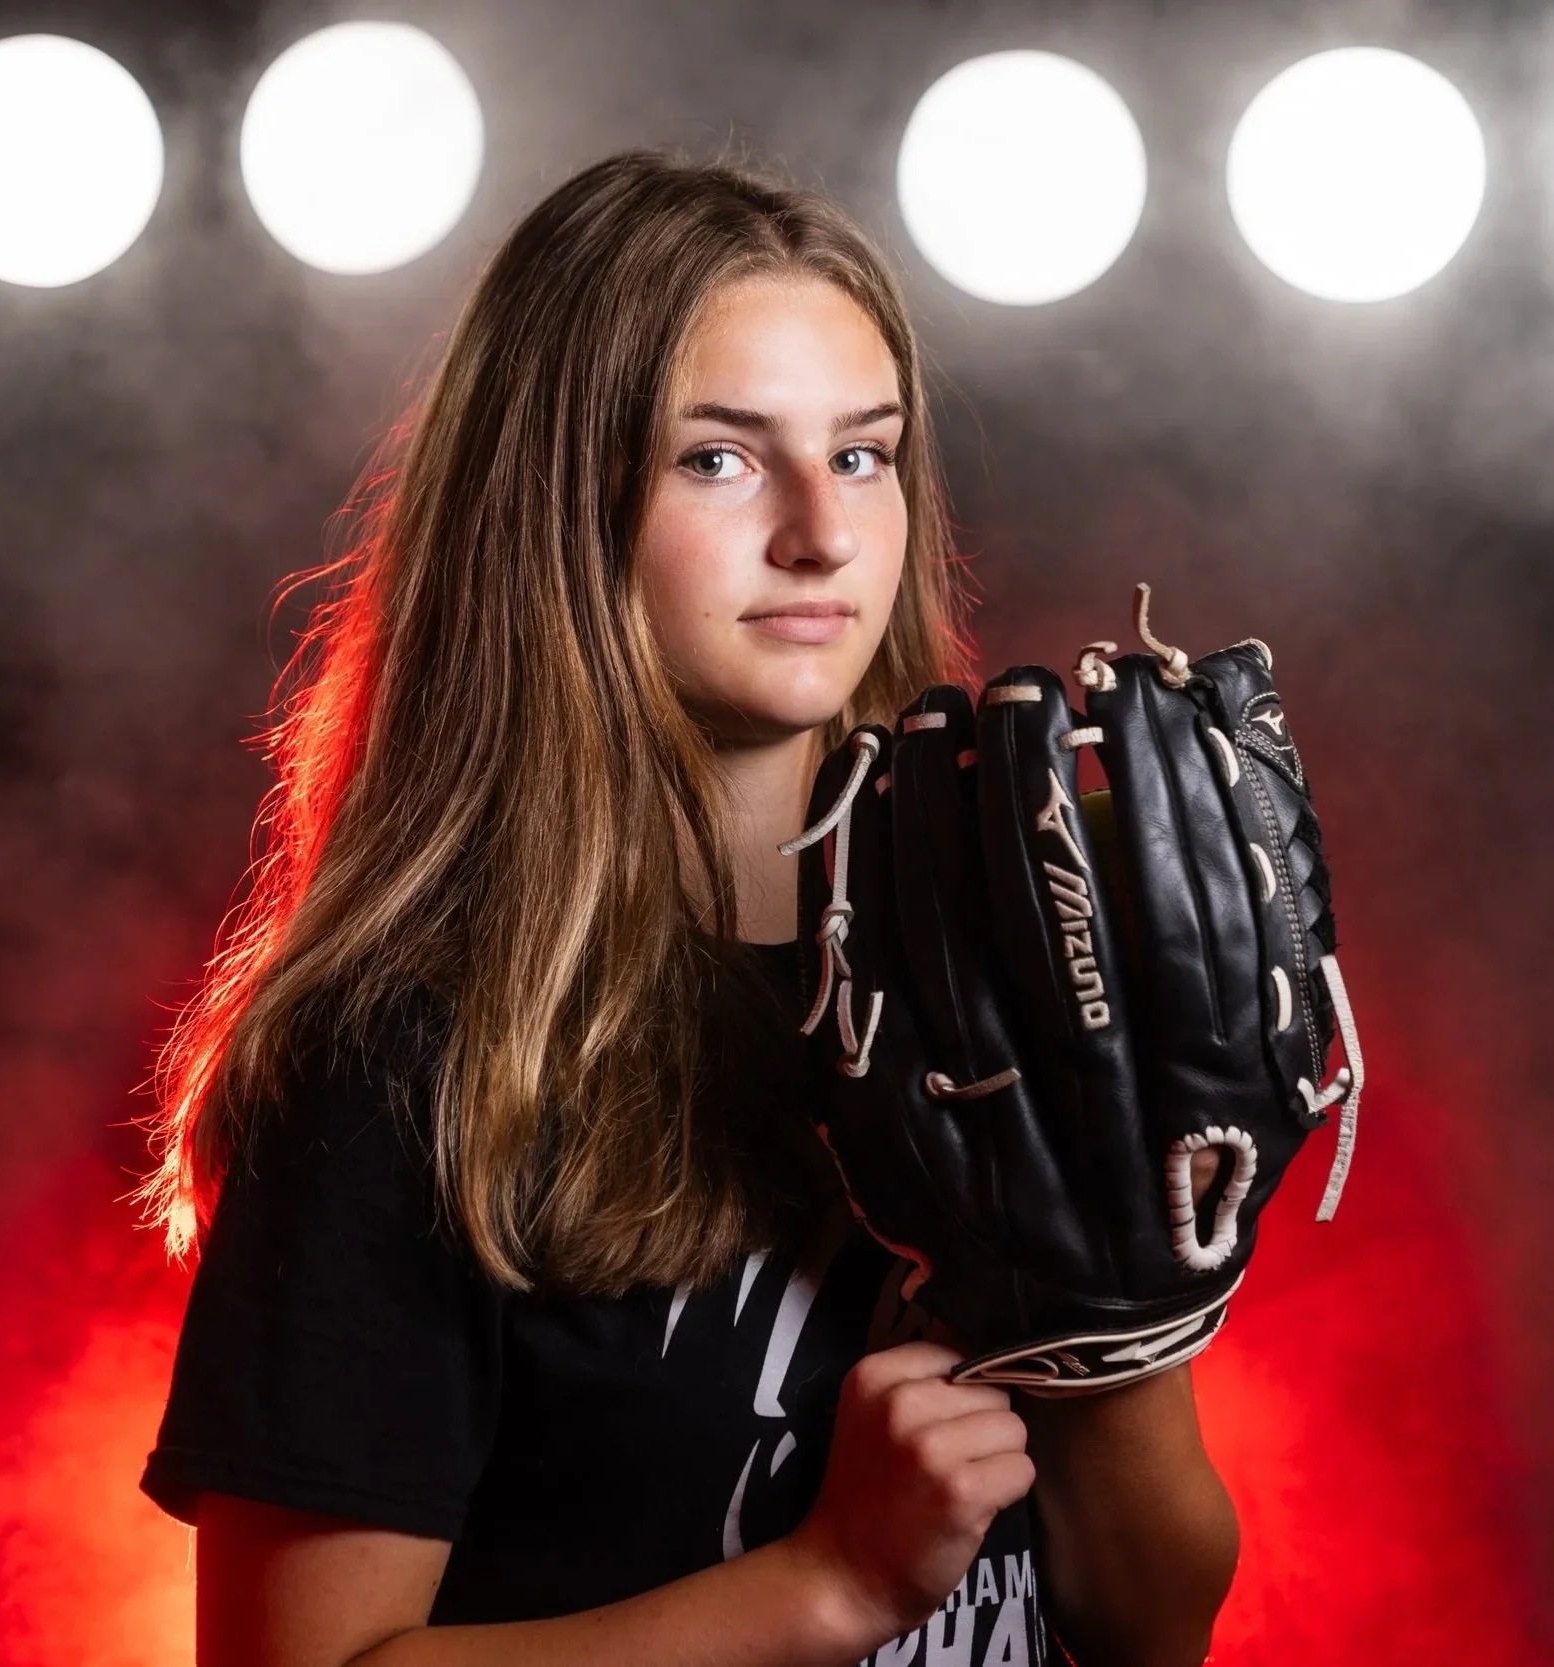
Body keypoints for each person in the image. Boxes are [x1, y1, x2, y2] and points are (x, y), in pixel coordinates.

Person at [136, 149, 1239, 1667]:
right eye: (717, 458)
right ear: (554, 509)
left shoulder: (1010, 968)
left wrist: (1123, 1310)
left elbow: (1149, 1622)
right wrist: (829, 1586)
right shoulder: (408, 1047)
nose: (820, 532)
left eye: (863, 455)